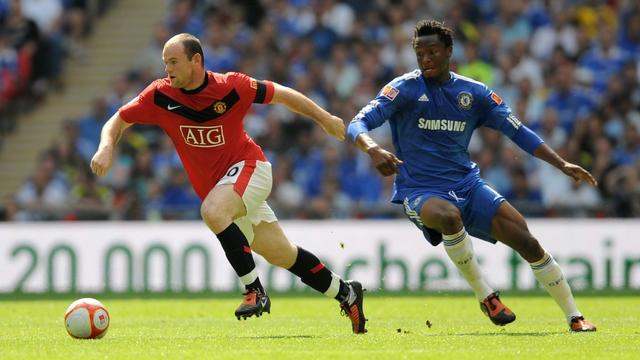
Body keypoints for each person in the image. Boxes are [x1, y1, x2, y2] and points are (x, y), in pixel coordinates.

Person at [90, 33, 366, 334]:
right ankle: (347, 293)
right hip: (226, 191)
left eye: (173, 62)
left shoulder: (231, 86)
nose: (167, 69)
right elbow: (117, 120)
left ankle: (254, 290)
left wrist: (324, 118)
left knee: (212, 211)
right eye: (165, 63)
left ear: (196, 60)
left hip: (251, 168)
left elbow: (282, 94)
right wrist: (106, 146)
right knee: (282, 254)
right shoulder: (160, 95)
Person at [347, 20, 596, 332]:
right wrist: (372, 149)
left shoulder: (474, 93)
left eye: (432, 52)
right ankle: (486, 295)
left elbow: (518, 132)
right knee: (449, 217)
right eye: (419, 53)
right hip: (419, 189)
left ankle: (575, 317)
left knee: (528, 242)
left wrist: (562, 164)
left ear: (449, 52)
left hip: (467, 184)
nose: (425, 59)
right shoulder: (404, 89)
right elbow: (357, 123)